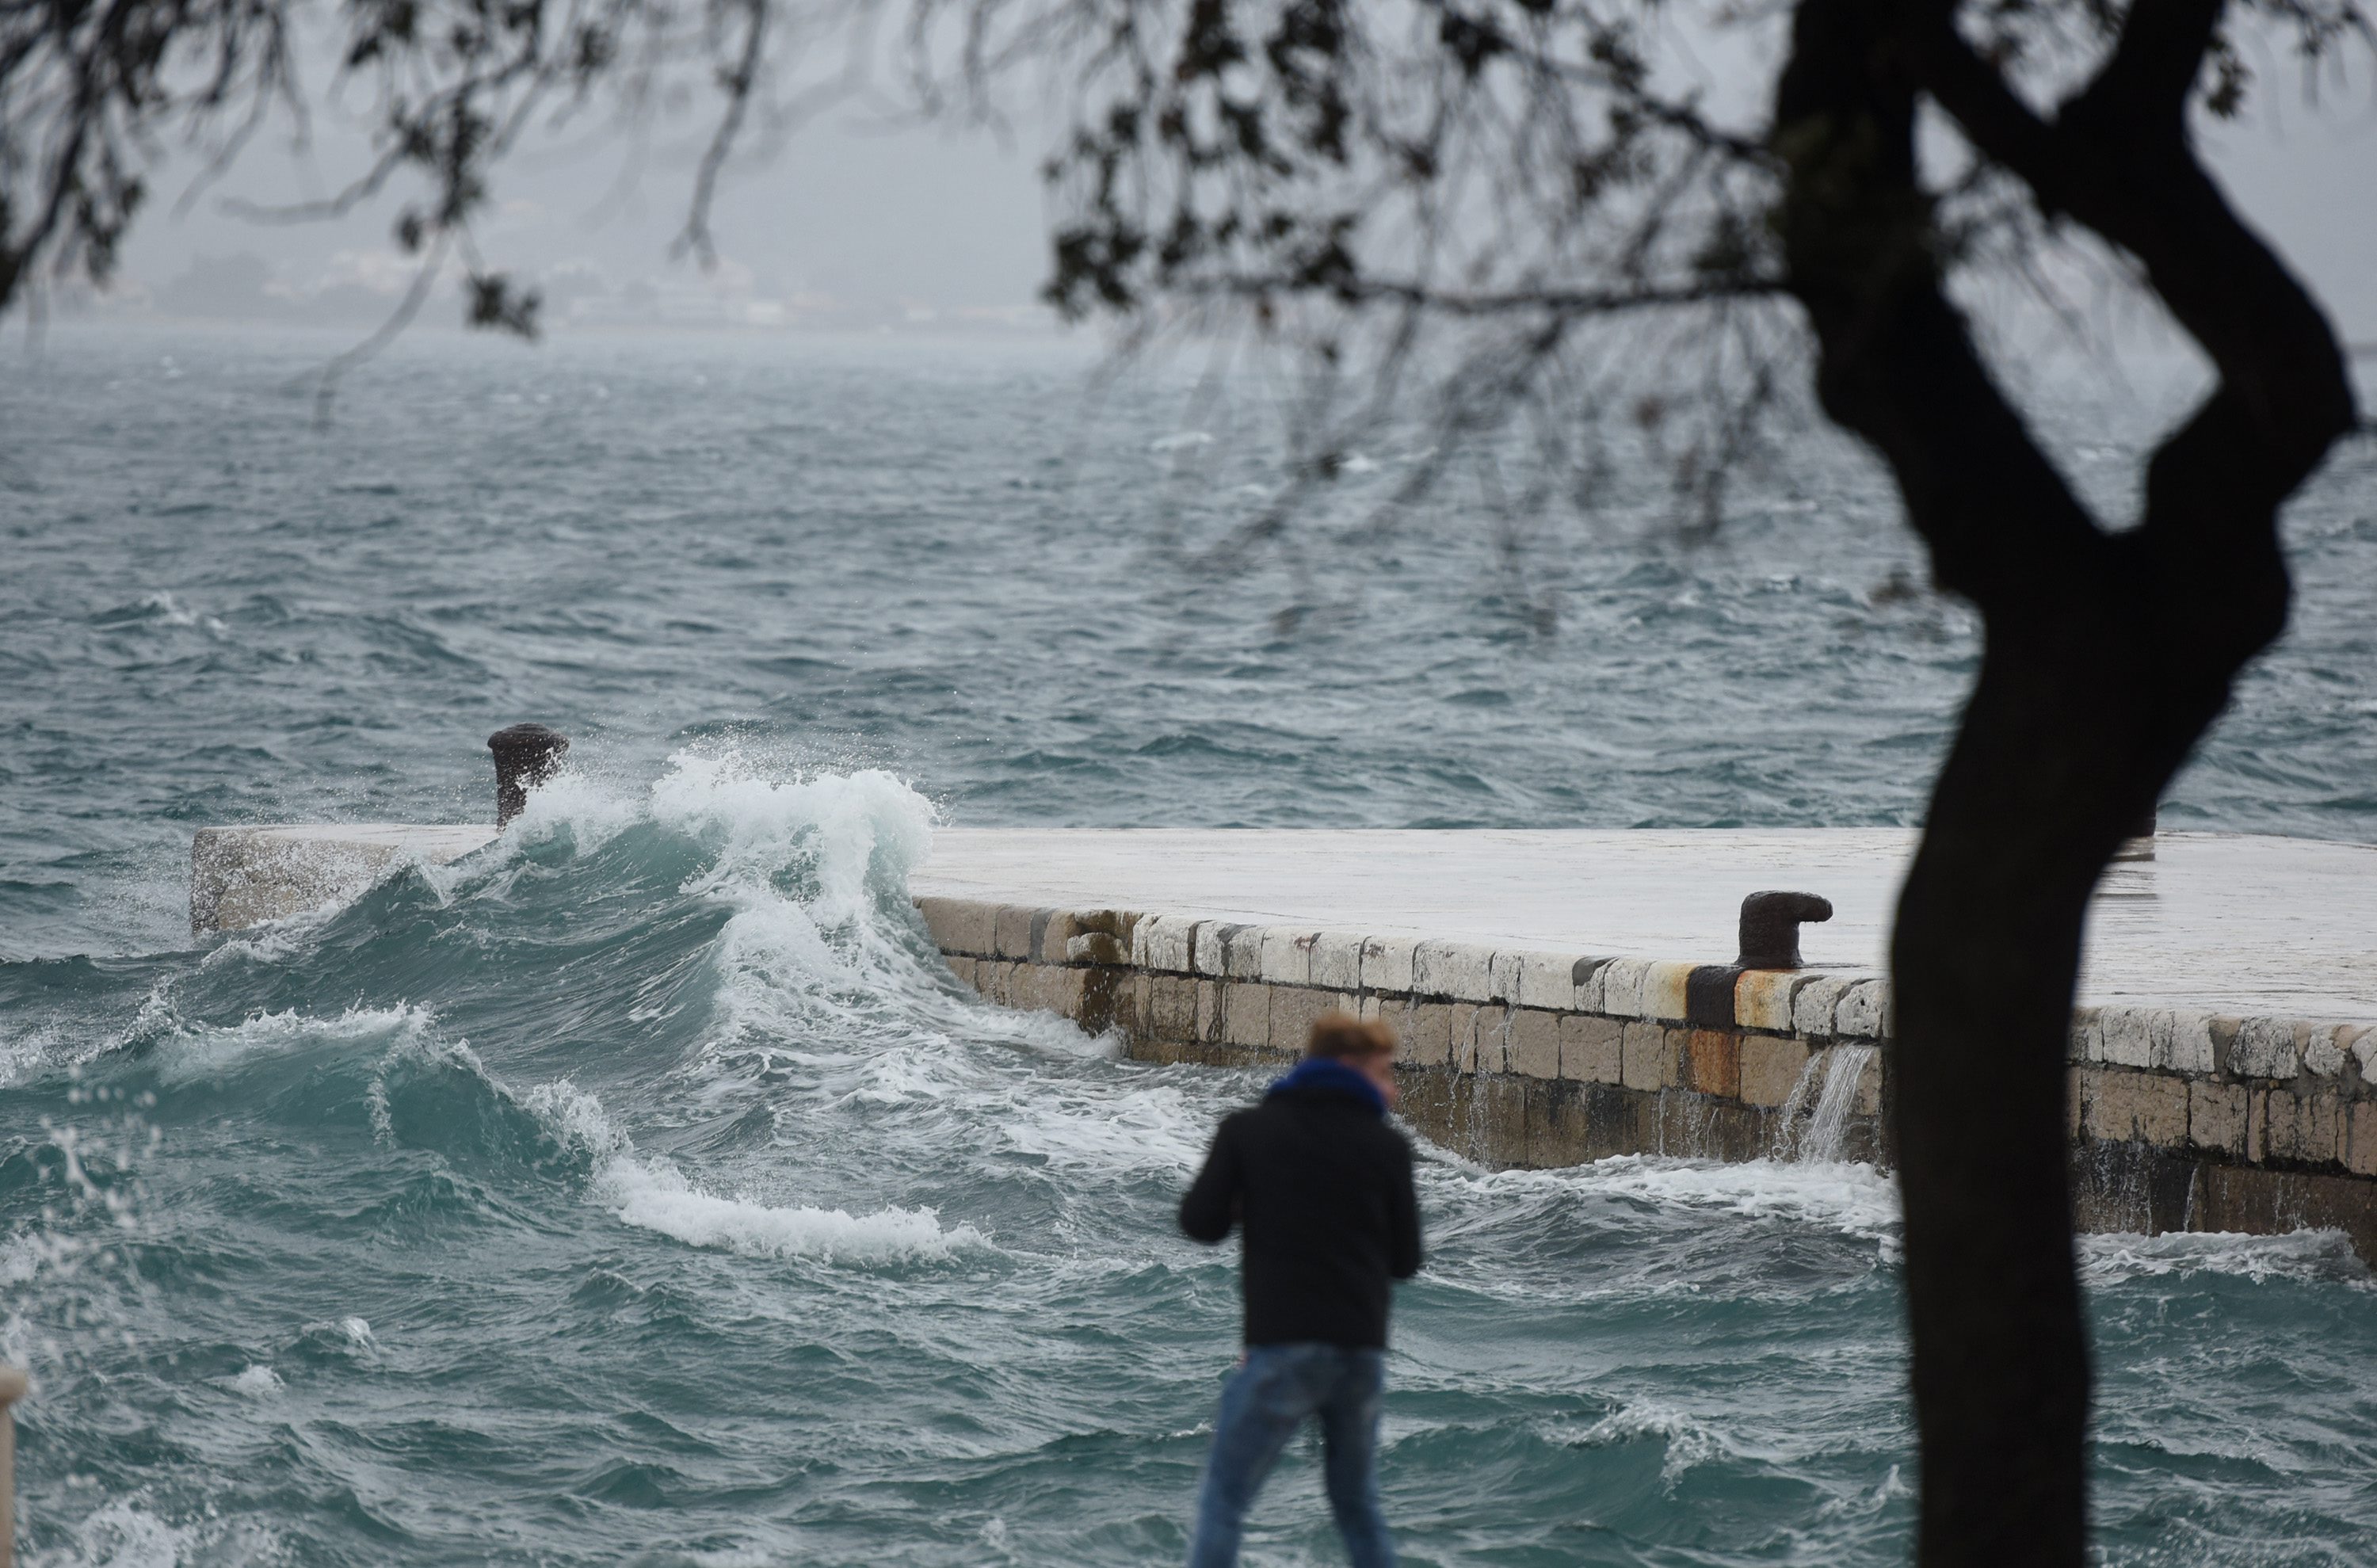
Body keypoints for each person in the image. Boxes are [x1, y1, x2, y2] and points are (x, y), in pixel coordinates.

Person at [1178, 1012, 1423, 1568]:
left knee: (1225, 1499)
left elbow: (1200, 1223)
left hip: (1282, 1348)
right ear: (1351, 1067)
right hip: (1360, 1353)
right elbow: (1406, 1262)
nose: (1395, 1087)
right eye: (1386, 1072)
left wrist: (1253, 1199)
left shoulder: (1249, 1130)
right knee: (1358, 1506)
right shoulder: (1387, 1147)